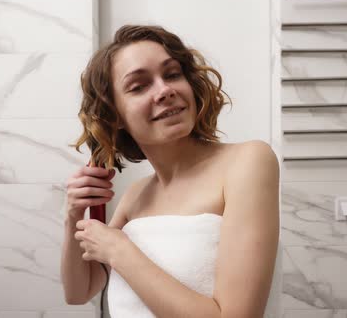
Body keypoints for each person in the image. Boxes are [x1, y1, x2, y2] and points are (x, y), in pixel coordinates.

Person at [61, 24, 280, 318]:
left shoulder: (248, 161)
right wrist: (72, 215)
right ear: (115, 116)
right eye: (139, 86)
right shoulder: (136, 195)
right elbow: (78, 292)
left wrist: (120, 251)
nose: (165, 90)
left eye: (172, 74)